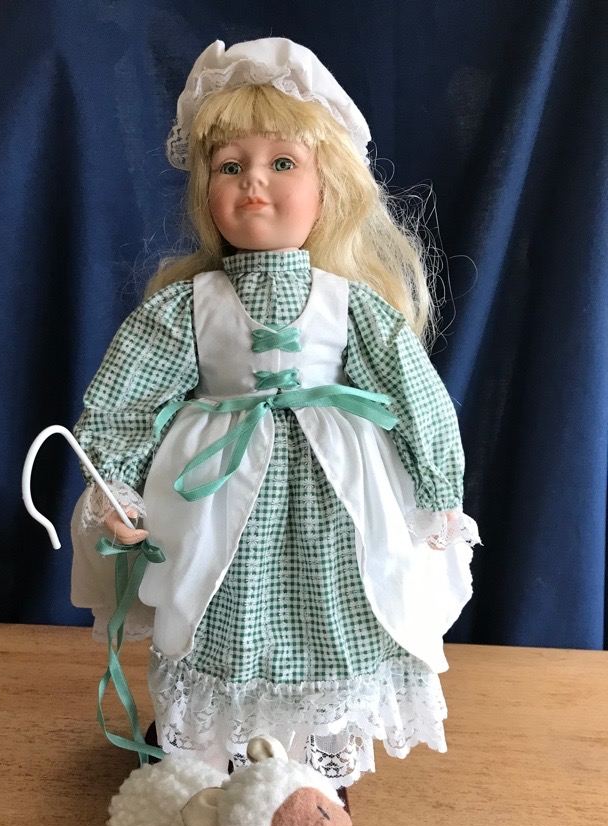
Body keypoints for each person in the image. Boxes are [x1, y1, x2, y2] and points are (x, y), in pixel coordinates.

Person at [71, 38, 480, 786]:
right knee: (216, 605)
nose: (254, 183)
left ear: (329, 188)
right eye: (230, 167)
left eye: (282, 163)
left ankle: (306, 766)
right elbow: (129, 400)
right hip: (215, 494)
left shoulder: (351, 306)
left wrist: (437, 495)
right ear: (206, 190)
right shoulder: (189, 307)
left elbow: (415, 397)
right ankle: (211, 759)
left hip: (336, 499)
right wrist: (114, 489)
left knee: (334, 610)